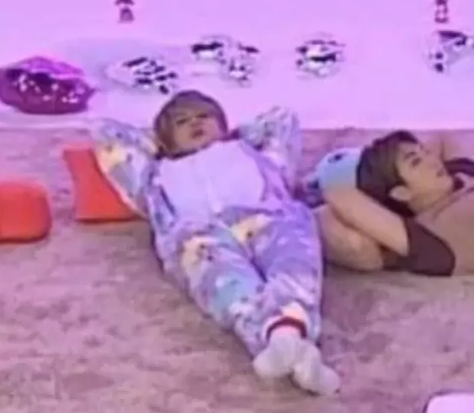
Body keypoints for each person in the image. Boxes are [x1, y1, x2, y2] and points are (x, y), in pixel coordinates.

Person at [92, 91, 340, 395]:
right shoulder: (153, 175)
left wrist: (231, 135)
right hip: (201, 234)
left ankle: (288, 336)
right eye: (182, 122)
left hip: (267, 217)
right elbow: (105, 131)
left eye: (203, 117)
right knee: (227, 286)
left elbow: (282, 118)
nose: (195, 123)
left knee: (294, 264)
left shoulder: (248, 151)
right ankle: (284, 342)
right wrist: (158, 145)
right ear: (166, 139)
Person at [303, 129, 474, 276]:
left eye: (425, 152)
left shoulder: (457, 172)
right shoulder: (430, 237)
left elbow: (443, 138)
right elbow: (339, 198)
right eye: (416, 162)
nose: (432, 160)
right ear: (401, 193)